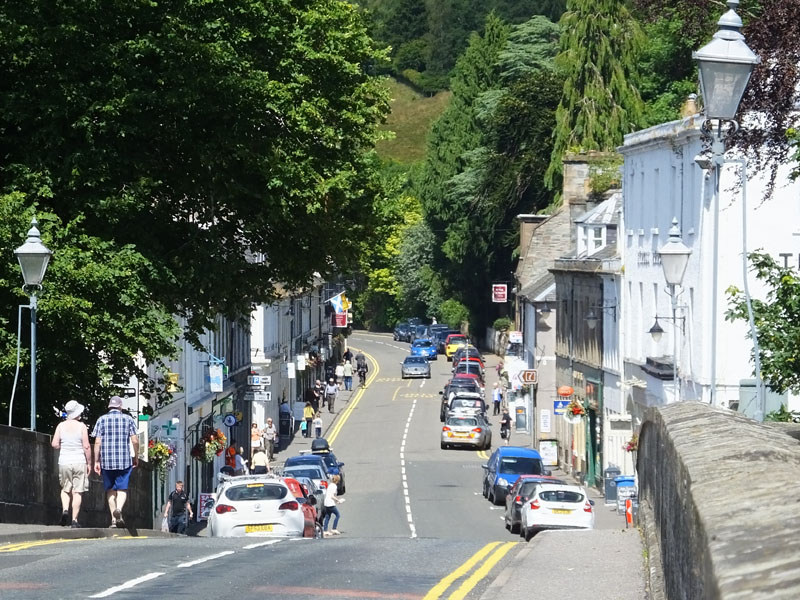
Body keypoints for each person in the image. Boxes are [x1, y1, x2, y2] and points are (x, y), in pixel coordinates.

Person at [92, 395, 139, 528]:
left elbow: (97, 442)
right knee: (122, 488)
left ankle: (114, 520)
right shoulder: (128, 419)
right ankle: (119, 509)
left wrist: (97, 461)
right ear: (120, 406)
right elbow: (135, 440)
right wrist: (136, 456)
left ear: (109, 406)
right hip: (124, 460)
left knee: (110, 490)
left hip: (107, 461)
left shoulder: (101, 420)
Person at [51, 400, 91, 528]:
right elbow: (86, 446)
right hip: (79, 461)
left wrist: (65, 445)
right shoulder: (82, 426)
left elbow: (55, 444)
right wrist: (89, 462)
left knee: (65, 489)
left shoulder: (61, 426)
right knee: (77, 491)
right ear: (77, 413)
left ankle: (65, 510)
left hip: (64, 461)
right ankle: (74, 520)